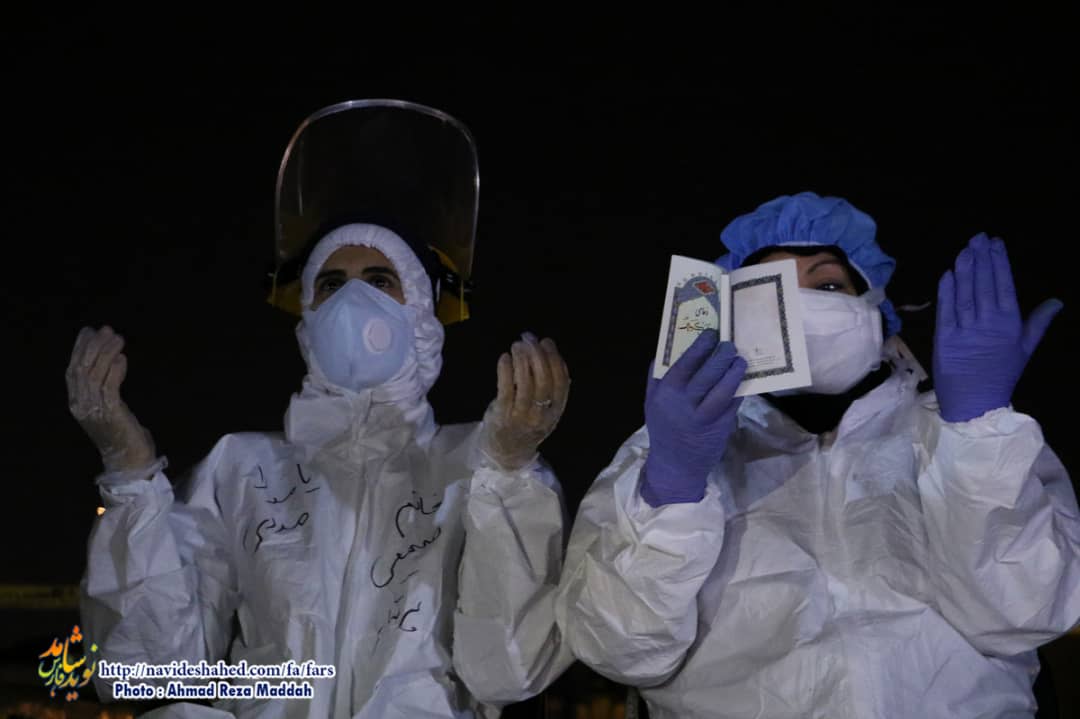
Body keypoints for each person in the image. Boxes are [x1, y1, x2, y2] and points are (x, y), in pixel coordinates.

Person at [556, 191, 1079, 718]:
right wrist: (671, 489)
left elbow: (1031, 612)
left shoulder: (960, 433)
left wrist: (979, 437)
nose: (802, 307)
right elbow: (619, 651)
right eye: (770, 292)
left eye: (828, 285)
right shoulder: (661, 450)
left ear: (875, 307)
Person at [69, 222, 573, 718]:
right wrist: (131, 474)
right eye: (331, 284)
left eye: (379, 281)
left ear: (421, 308)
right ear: (308, 314)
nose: (351, 299)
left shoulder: (473, 465)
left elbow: (508, 670)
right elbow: (151, 668)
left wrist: (509, 471)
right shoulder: (242, 468)